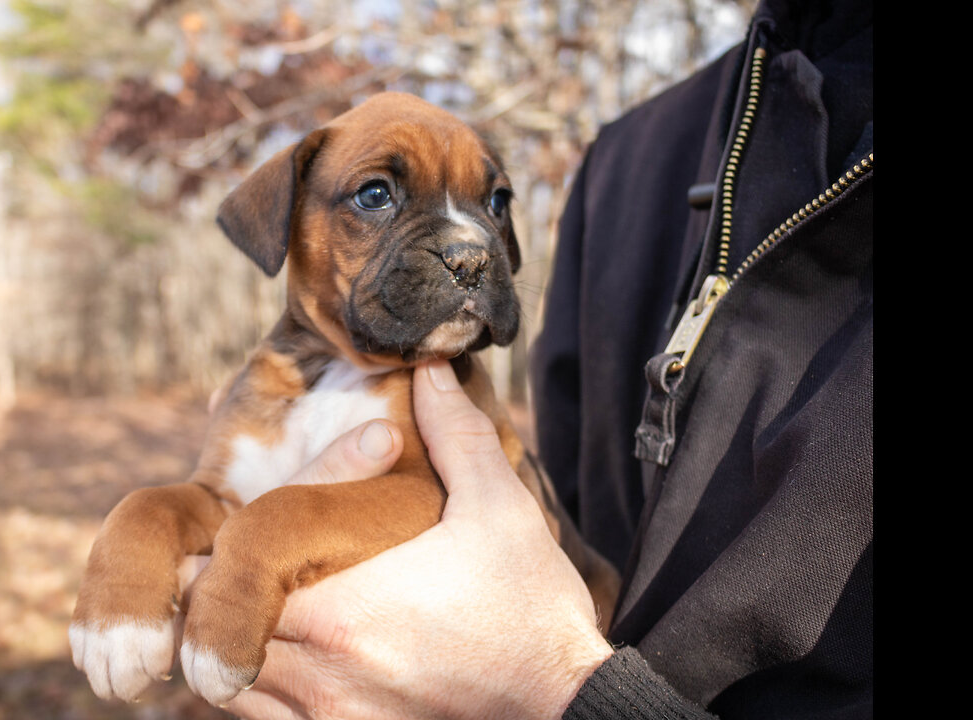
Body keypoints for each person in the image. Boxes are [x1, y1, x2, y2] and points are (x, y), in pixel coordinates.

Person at [196, 0, 873, 716]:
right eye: (376, 195)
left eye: (492, 204)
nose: (471, 247)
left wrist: (562, 689)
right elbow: (554, 519)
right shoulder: (628, 155)